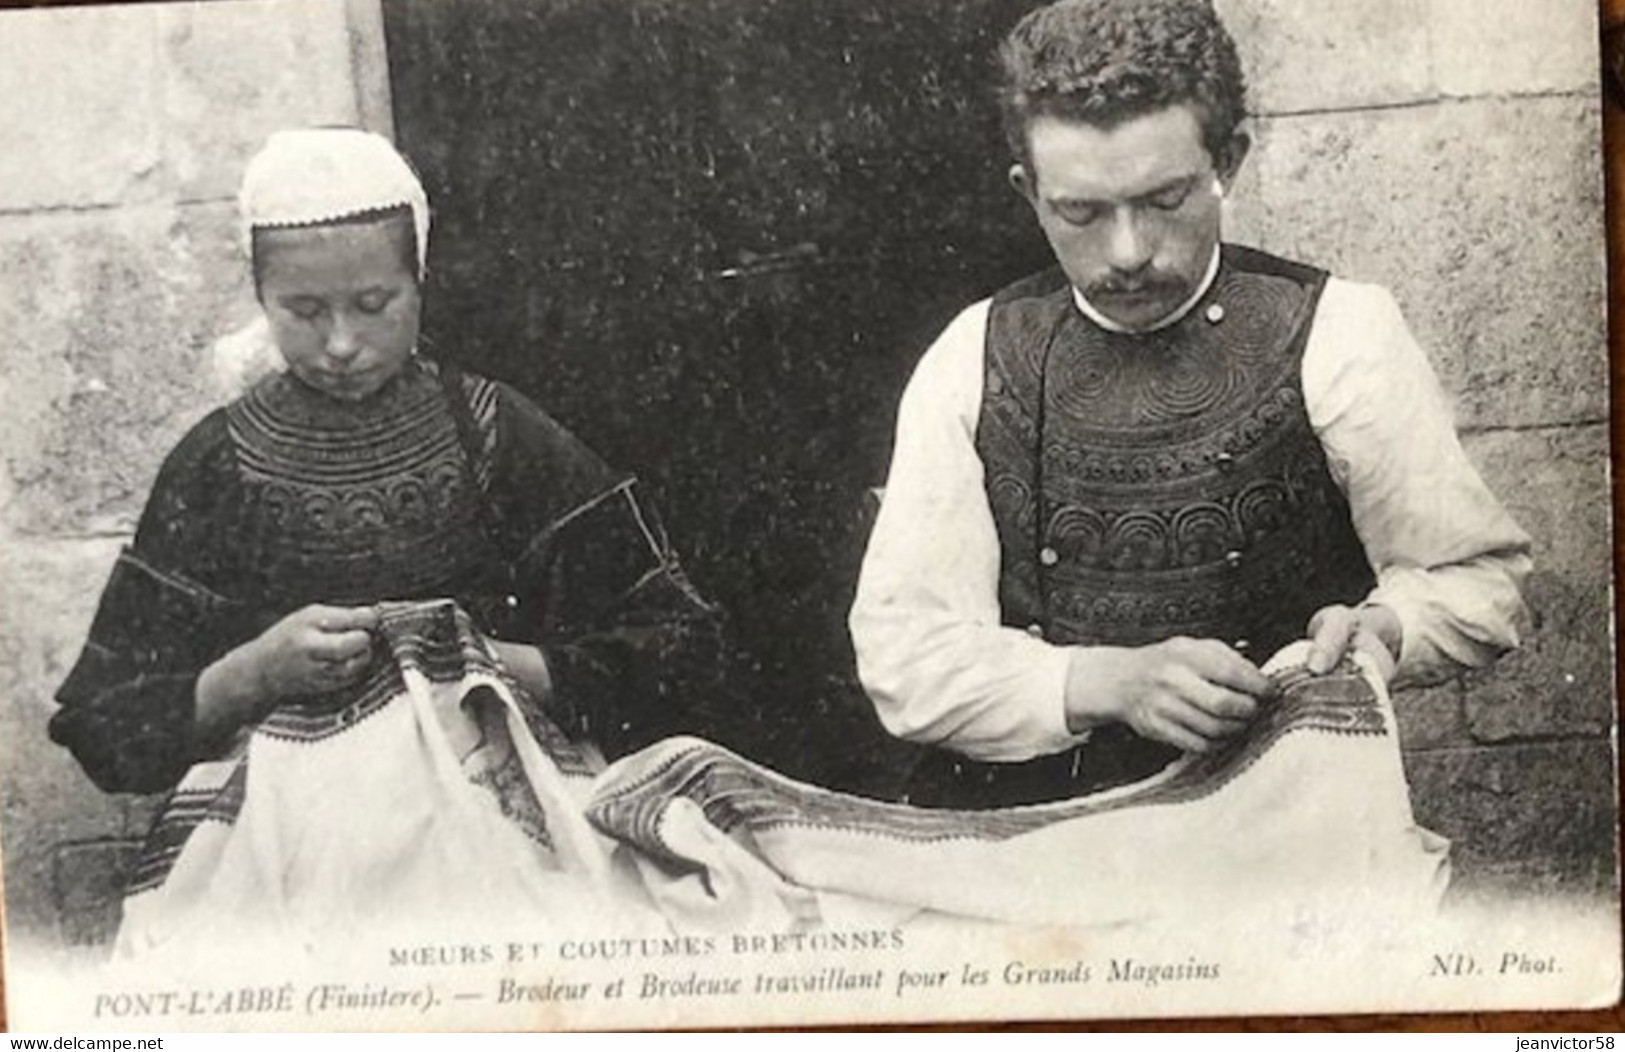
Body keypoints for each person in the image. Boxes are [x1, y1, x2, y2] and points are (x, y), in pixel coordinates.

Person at [849, 0, 1532, 810]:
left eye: (1165, 199)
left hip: (1282, 819)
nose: (1128, 251)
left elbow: (1477, 581)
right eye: (1080, 212)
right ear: (1028, 192)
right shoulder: (971, 356)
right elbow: (905, 658)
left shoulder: (1342, 334)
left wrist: (1384, 631)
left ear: (1228, 161)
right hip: (1040, 832)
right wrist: (1101, 681)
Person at [49, 130, 719, 944]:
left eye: (374, 305)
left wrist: (491, 665)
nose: (339, 343)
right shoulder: (216, 466)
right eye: (303, 310)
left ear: (419, 284)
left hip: (500, 828)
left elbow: (680, 640)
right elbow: (102, 724)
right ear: (260, 295)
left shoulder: (496, 435)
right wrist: (253, 673)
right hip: (279, 850)